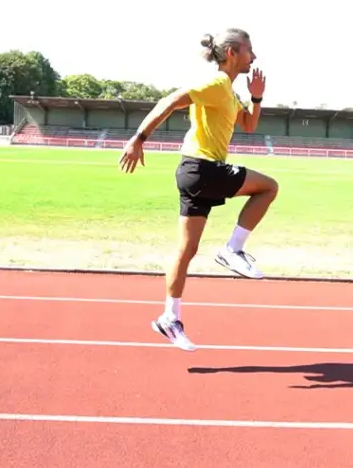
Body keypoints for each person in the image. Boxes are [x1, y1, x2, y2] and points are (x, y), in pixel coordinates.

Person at [118, 28, 279, 351]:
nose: (255, 56)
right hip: (202, 168)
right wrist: (138, 138)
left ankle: (169, 317)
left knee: (186, 251)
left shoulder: (229, 92)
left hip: (193, 172)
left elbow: (248, 125)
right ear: (232, 52)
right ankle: (232, 250)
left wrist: (257, 97)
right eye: (250, 49)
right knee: (268, 188)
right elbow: (169, 101)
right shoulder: (216, 83)